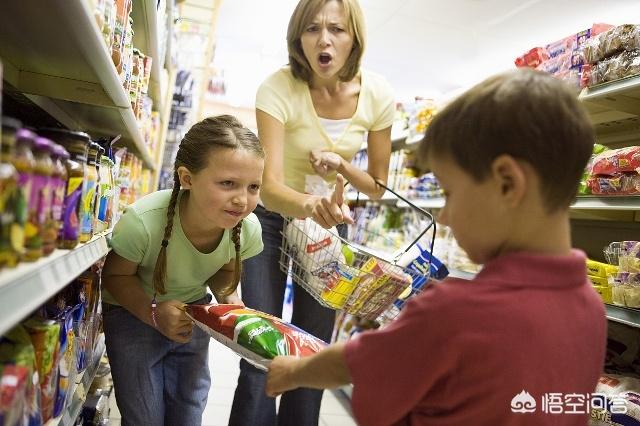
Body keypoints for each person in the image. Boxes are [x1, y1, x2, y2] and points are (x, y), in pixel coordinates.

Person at [264, 68, 608, 425]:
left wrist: (293, 371)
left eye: (449, 193)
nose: (443, 217)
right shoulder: (591, 310)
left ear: (507, 184)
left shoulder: (453, 311)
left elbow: (354, 364)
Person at [228, 0, 396, 424]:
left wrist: (342, 166)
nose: (324, 40)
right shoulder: (277, 88)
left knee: (314, 349)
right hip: (270, 220)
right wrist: (310, 206)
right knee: (260, 345)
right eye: (312, 29)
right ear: (297, 37)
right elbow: (270, 185)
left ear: (354, 37)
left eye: (337, 29)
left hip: (328, 228)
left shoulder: (378, 94)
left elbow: (377, 186)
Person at [101, 115, 265, 426]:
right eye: (227, 183)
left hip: (192, 315)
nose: (242, 199)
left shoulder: (246, 229)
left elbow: (224, 269)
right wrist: (152, 312)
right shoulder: (143, 222)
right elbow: (114, 276)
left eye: (253, 186)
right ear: (187, 178)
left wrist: (229, 299)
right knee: (144, 417)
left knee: (189, 410)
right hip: (132, 315)